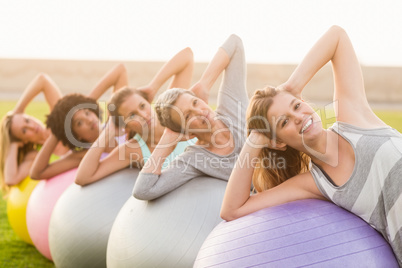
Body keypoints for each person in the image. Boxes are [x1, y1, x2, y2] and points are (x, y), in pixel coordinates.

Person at [220, 26, 402, 265]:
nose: (298, 116)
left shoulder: (353, 118)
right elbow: (232, 210)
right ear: (277, 141)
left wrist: (292, 86)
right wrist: (255, 138)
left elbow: (337, 37)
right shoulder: (314, 184)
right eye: (284, 122)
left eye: (296, 105)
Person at [132, 34, 249, 200]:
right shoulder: (194, 159)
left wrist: (205, 84)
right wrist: (167, 139)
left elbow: (235, 43)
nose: (200, 112)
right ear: (186, 132)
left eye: (195, 103)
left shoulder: (231, 105)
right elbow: (143, 190)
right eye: (188, 116)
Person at [75, 47, 196, 185]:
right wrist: (107, 133)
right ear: (125, 126)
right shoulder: (132, 149)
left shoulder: (171, 111)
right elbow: (83, 178)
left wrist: (153, 87)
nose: (143, 115)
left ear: (148, 101)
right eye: (132, 115)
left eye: (143, 105)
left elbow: (187, 56)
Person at [29, 63, 128, 180]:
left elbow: (120, 71)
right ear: (75, 136)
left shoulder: (115, 121)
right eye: (79, 123)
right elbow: (37, 173)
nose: (90, 120)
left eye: (87, 112)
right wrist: (58, 130)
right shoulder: (82, 156)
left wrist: (83, 102)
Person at [0, 73, 66, 192]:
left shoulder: (58, 119)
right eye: (24, 131)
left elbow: (43, 80)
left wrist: (18, 111)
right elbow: (11, 179)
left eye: (27, 120)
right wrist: (13, 143)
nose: (32, 126)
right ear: (23, 141)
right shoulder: (35, 157)